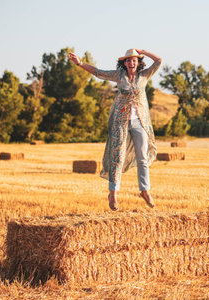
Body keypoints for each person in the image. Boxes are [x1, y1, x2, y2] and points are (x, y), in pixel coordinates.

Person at [68, 48, 162, 211]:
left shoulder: (145, 75)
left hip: (140, 121)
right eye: (128, 60)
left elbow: (159, 61)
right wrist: (80, 63)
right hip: (121, 120)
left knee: (143, 157)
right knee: (117, 156)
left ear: (138, 62)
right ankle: (113, 194)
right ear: (124, 63)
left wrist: (143, 51)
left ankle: (145, 191)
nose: (131, 63)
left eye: (134, 60)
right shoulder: (119, 75)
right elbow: (98, 72)